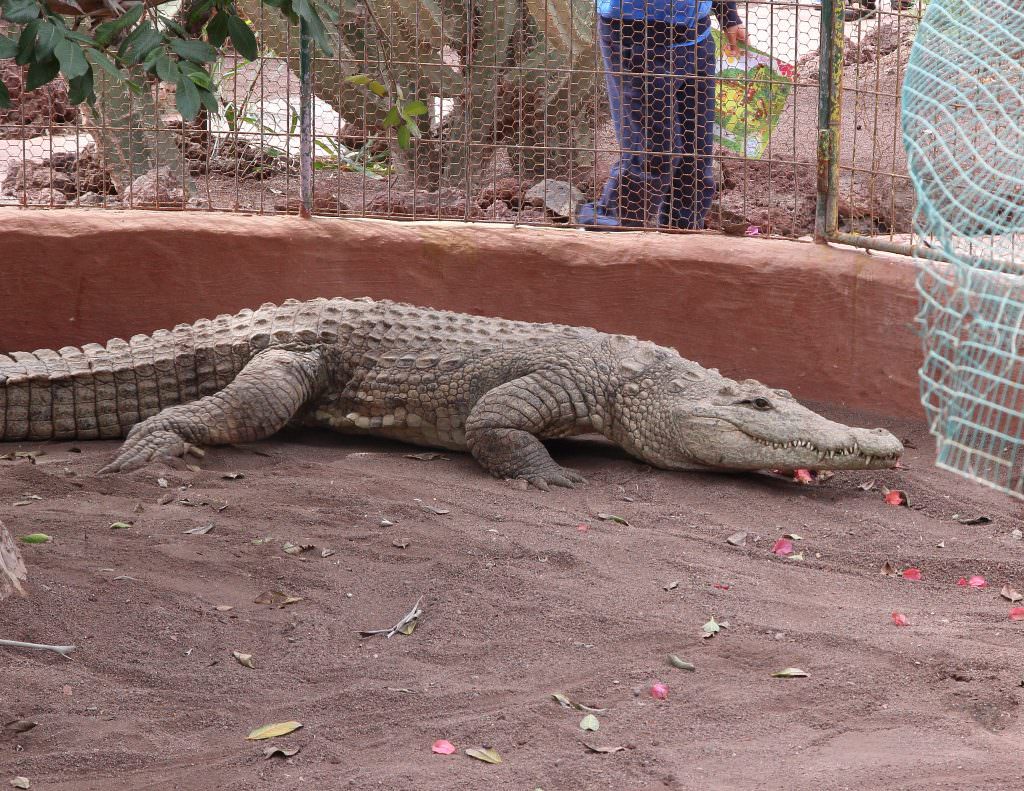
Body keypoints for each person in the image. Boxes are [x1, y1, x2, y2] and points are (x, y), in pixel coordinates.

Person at [578, 1, 746, 230]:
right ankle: (612, 230)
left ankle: (680, 237)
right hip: (637, 32)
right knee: (654, 153)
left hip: (697, 35)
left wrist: (729, 16)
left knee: (695, 155)